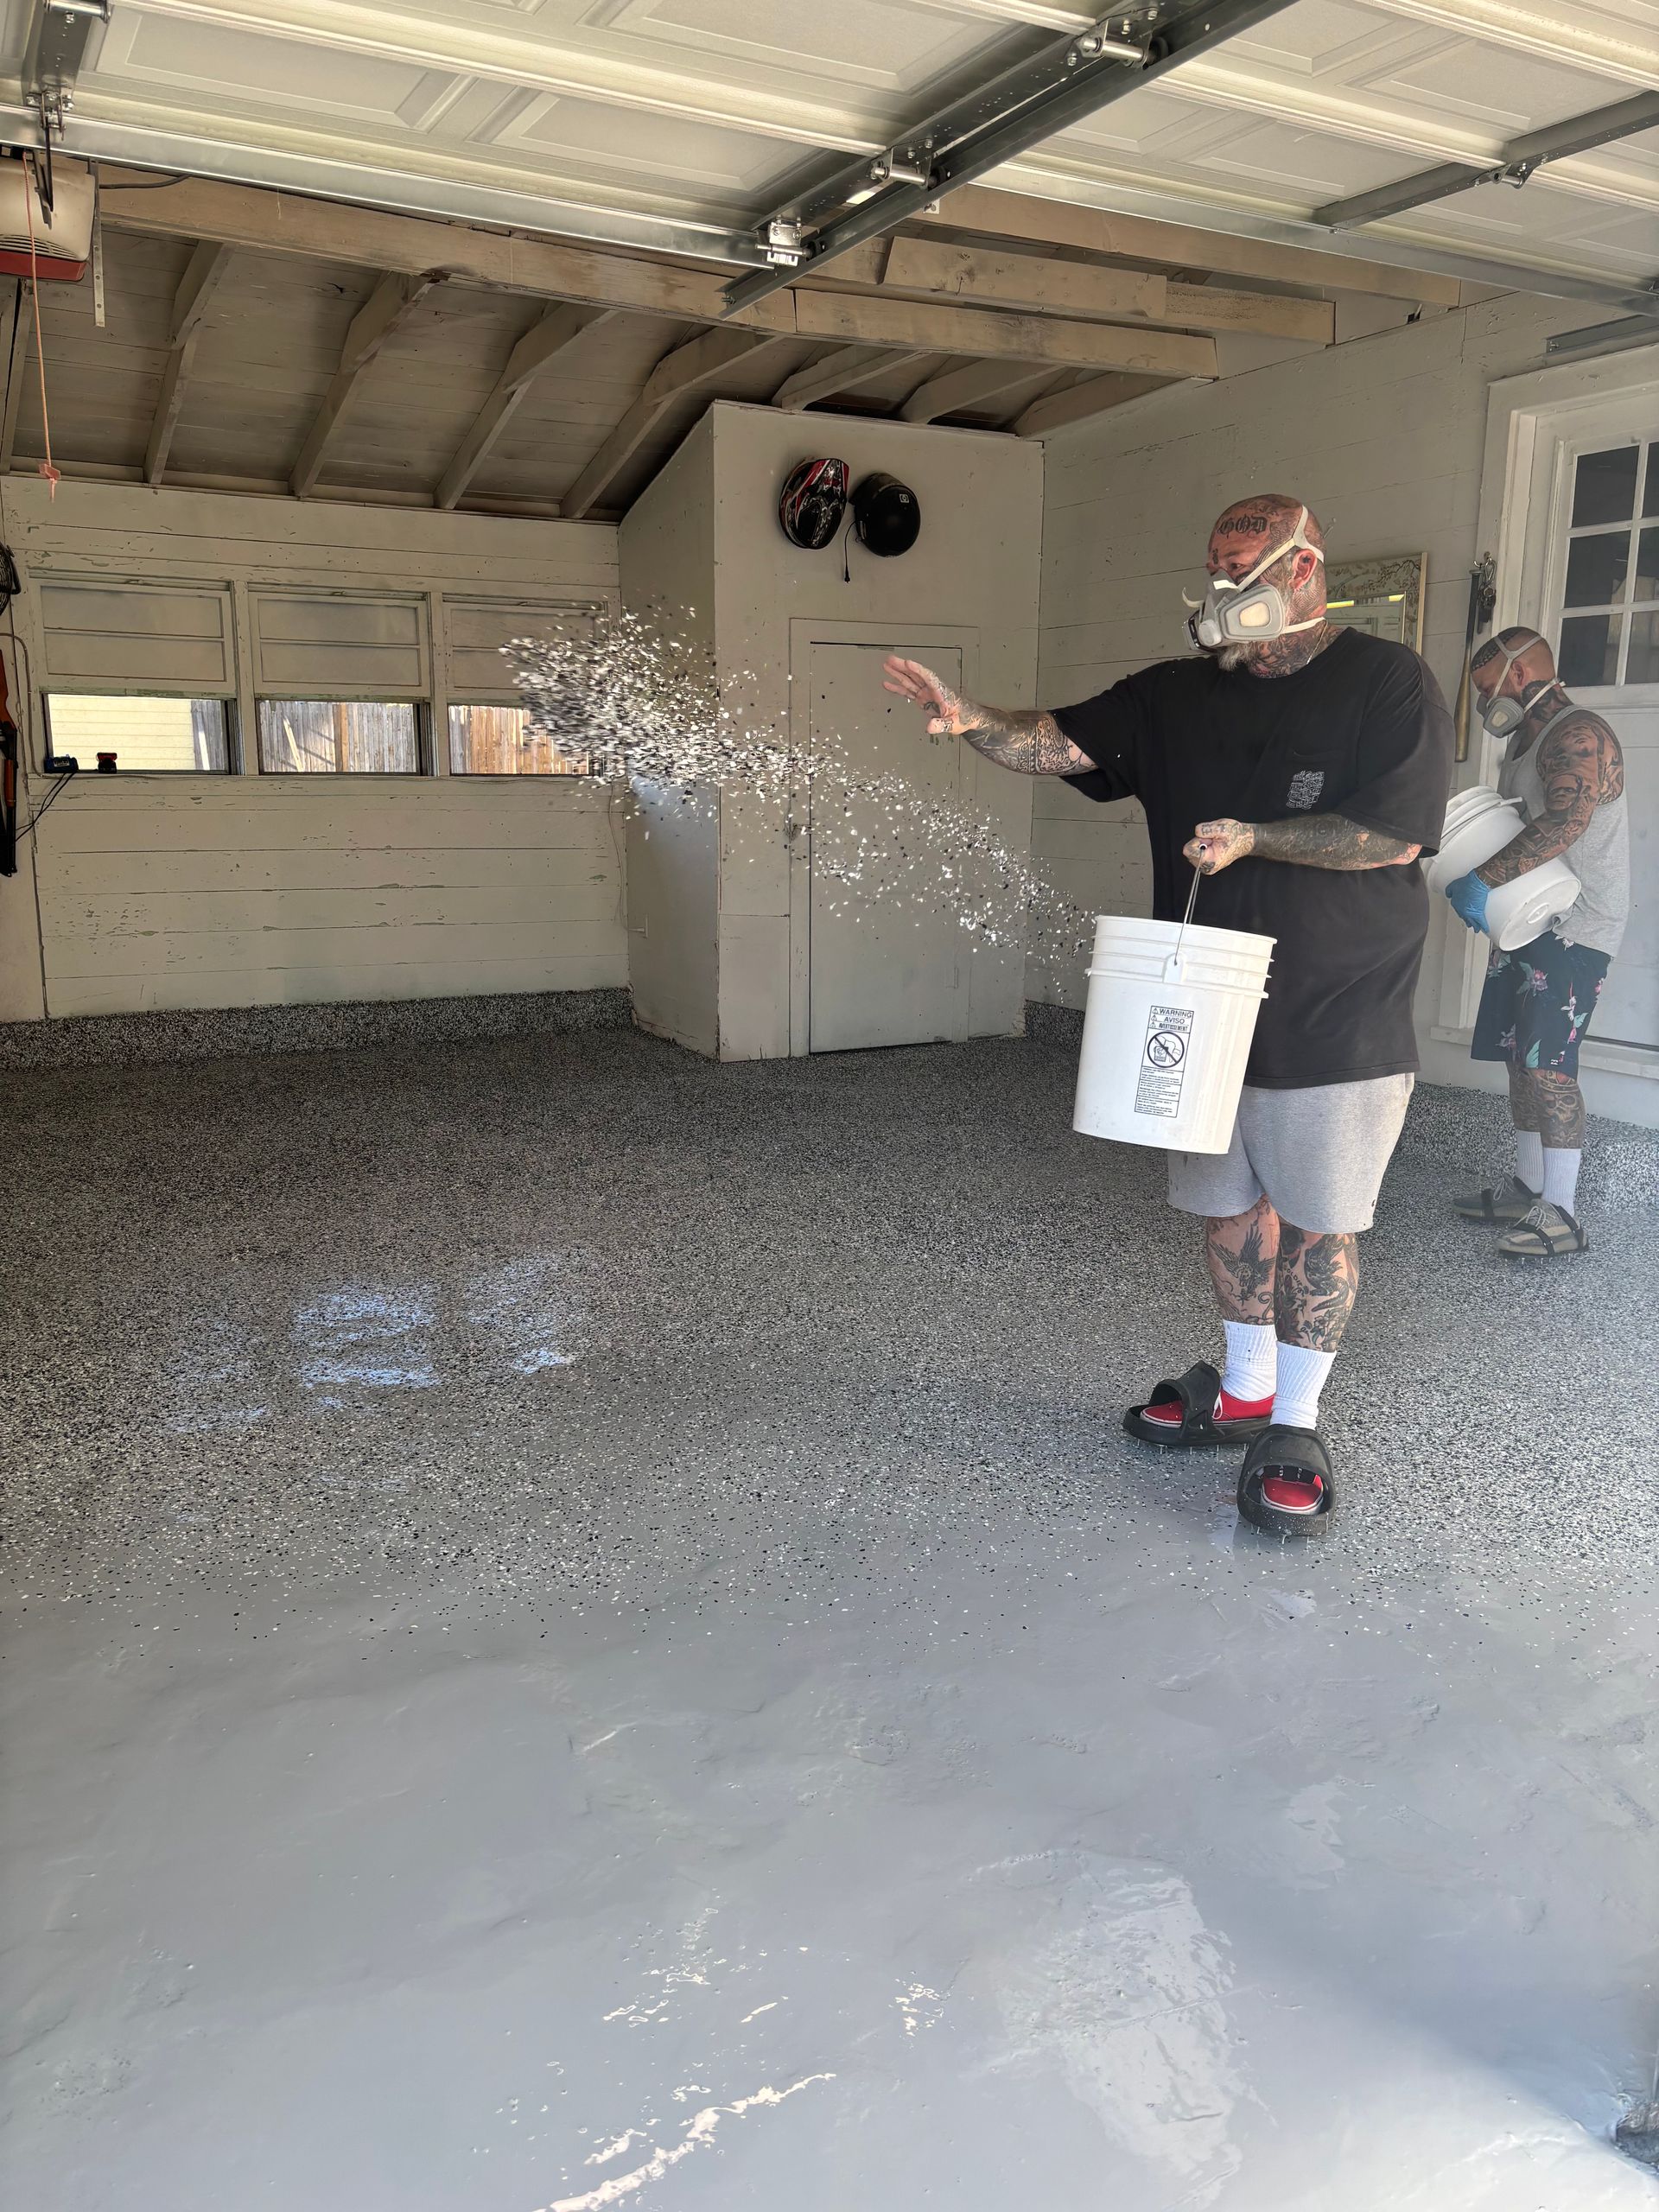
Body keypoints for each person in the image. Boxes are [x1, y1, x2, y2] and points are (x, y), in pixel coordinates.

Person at [883, 493, 1452, 1536]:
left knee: (1318, 1222)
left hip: (1337, 1009)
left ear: (1304, 570)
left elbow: (1394, 838)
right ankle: (1241, 1389)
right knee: (1228, 1209)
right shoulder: (1172, 696)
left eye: (1246, 570)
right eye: (1216, 570)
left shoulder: (1386, 682)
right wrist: (971, 721)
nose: (1226, 593)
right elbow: (1053, 742)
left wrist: (1256, 836)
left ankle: (1295, 1419)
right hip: (1198, 1003)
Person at [1447, 626, 1629, 1257]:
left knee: (1549, 1067)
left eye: (1484, 689)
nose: (1481, 704)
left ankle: (1564, 1214)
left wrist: (1480, 880)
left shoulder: (1579, 736)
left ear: (1517, 677)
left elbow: (1563, 823)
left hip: (1577, 927)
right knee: (1517, 1056)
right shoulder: (1529, 740)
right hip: (1528, 917)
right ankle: (1529, 1188)